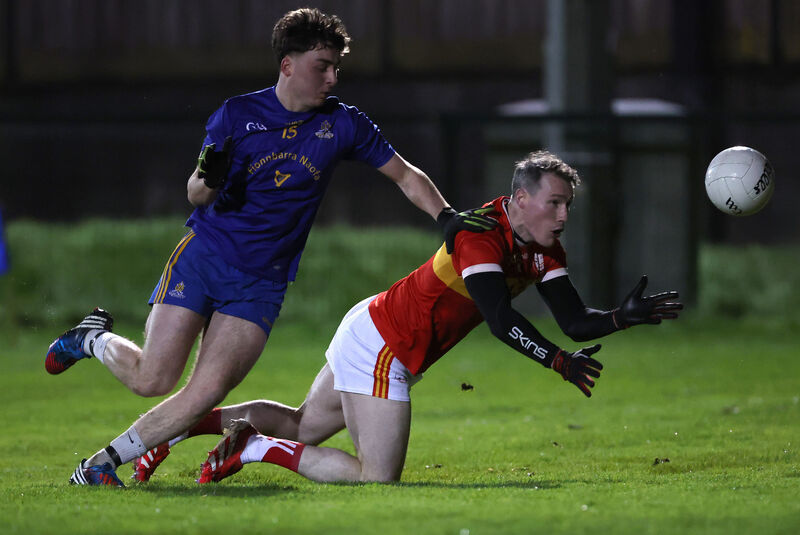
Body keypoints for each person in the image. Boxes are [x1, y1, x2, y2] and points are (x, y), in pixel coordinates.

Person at [46, 7, 494, 487]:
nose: (332, 77)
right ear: (287, 64)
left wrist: (446, 216)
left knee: (205, 393)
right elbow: (197, 193)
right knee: (151, 379)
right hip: (204, 256)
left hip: (262, 281)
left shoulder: (343, 123)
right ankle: (92, 338)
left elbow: (404, 174)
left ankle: (98, 465)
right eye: (322, 65)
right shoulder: (237, 116)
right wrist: (207, 180)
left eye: (336, 67)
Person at [129, 150, 683, 485]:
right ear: (518, 199)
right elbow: (499, 319)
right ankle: (255, 447)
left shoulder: (543, 250)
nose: (563, 215)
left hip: (373, 328)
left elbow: (576, 320)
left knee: (302, 424)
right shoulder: (479, 236)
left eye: (568, 205)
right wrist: (558, 362)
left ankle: (172, 432)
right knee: (377, 477)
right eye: (555, 203)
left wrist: (621, 318)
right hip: (383, 346)